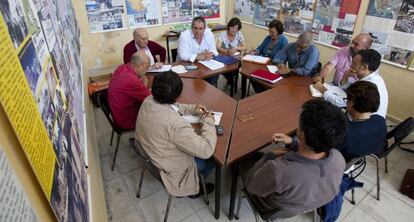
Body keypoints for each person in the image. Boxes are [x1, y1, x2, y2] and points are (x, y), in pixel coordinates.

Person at [240, 99, 347, 216]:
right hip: (301, 205)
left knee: (242, 159)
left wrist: (268, 157)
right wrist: (294, 143)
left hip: (271, 205)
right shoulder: (338, 158)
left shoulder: (279, 170)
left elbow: (252, 187)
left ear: (303, 134)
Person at [135, 71, 217, 198]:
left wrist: (192, 109)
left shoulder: (149, 99)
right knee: (214, 158)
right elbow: (206, 150)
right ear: (178, 94)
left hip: (152, 153)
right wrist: (209, 121)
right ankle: (196, 185)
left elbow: (172, 106)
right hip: (169, 167)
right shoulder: (175, 123)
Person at [314, 49, 388, 118]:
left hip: (359, 123)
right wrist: (345, 77)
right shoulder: (374, 77)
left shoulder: (368, 85)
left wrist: (322, 89)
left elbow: (340, 102)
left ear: (364, 68)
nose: (350, 65)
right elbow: (350, 90)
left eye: (354, 63)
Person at [338, 81, 387, 162]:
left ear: (352, 103)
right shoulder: (380, 120)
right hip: (359, 158)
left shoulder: (345, 133)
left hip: (340, 164)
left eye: (347, 99)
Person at [108, 52, 151, 130]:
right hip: (127, 120)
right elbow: (150, 98)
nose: (147, 70)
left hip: (117, 114)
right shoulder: (131, 79)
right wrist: (146, 83)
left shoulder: (121, 68)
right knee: (159, 111)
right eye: (147, 67)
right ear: (138, 65)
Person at [177, 16, 219, 86]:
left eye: (201, 29)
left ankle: (207, 92)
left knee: (214, 74)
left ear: (204, 28)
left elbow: (214, 50)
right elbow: (183, 55)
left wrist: (210, 54)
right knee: (190, 84)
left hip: (203, 64)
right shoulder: (184, 36)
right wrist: (198, 56)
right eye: (195, 28)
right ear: (191, 27)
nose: (198, 32)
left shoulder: (209, 34)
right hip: (186, 65)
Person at [250, 19, 288, 93]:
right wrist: (255, 52)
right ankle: (261, 93)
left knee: (260, 78)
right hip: (263, 65)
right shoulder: (268, 38)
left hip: (273, 68)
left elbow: (280, 58)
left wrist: (270, 61)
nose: (270, 34)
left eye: (272, 32)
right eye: (269, 31)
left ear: (279, 32)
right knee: (251, 75)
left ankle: (263, 93)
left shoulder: (284, 41)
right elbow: (260, 48)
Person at [216, 17, 247, 87]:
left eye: (236, 28)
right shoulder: (223, 34)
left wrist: (236, 48)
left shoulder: (239, 34)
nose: (234, 30)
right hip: (224, 57)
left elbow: (245, 47)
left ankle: (232, 79)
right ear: (229, 26)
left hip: (235, 57)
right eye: (232, 27)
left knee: (241, 66)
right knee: (226, 70)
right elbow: (218, 47)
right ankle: (230, 78)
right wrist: (227, 51)